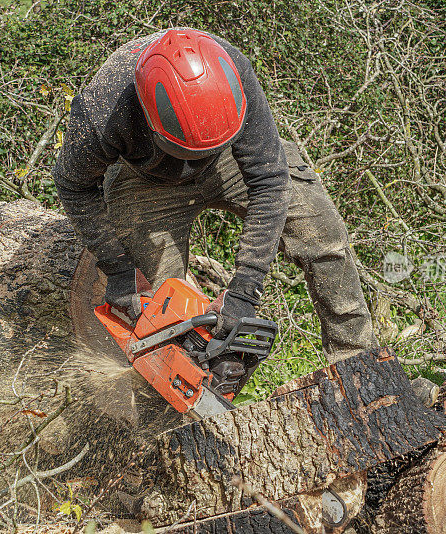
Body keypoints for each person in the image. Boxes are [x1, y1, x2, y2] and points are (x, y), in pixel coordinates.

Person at [52, 28, 377, 363]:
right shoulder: (101, 109)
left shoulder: (233, 70)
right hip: (145, 181)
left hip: (228, 159)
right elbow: (73, 184)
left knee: (322, 234)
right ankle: (190, 390)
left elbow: (269, 180)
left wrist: (245, 289)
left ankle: (356, 362)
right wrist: (117, 268)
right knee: (157, 309)